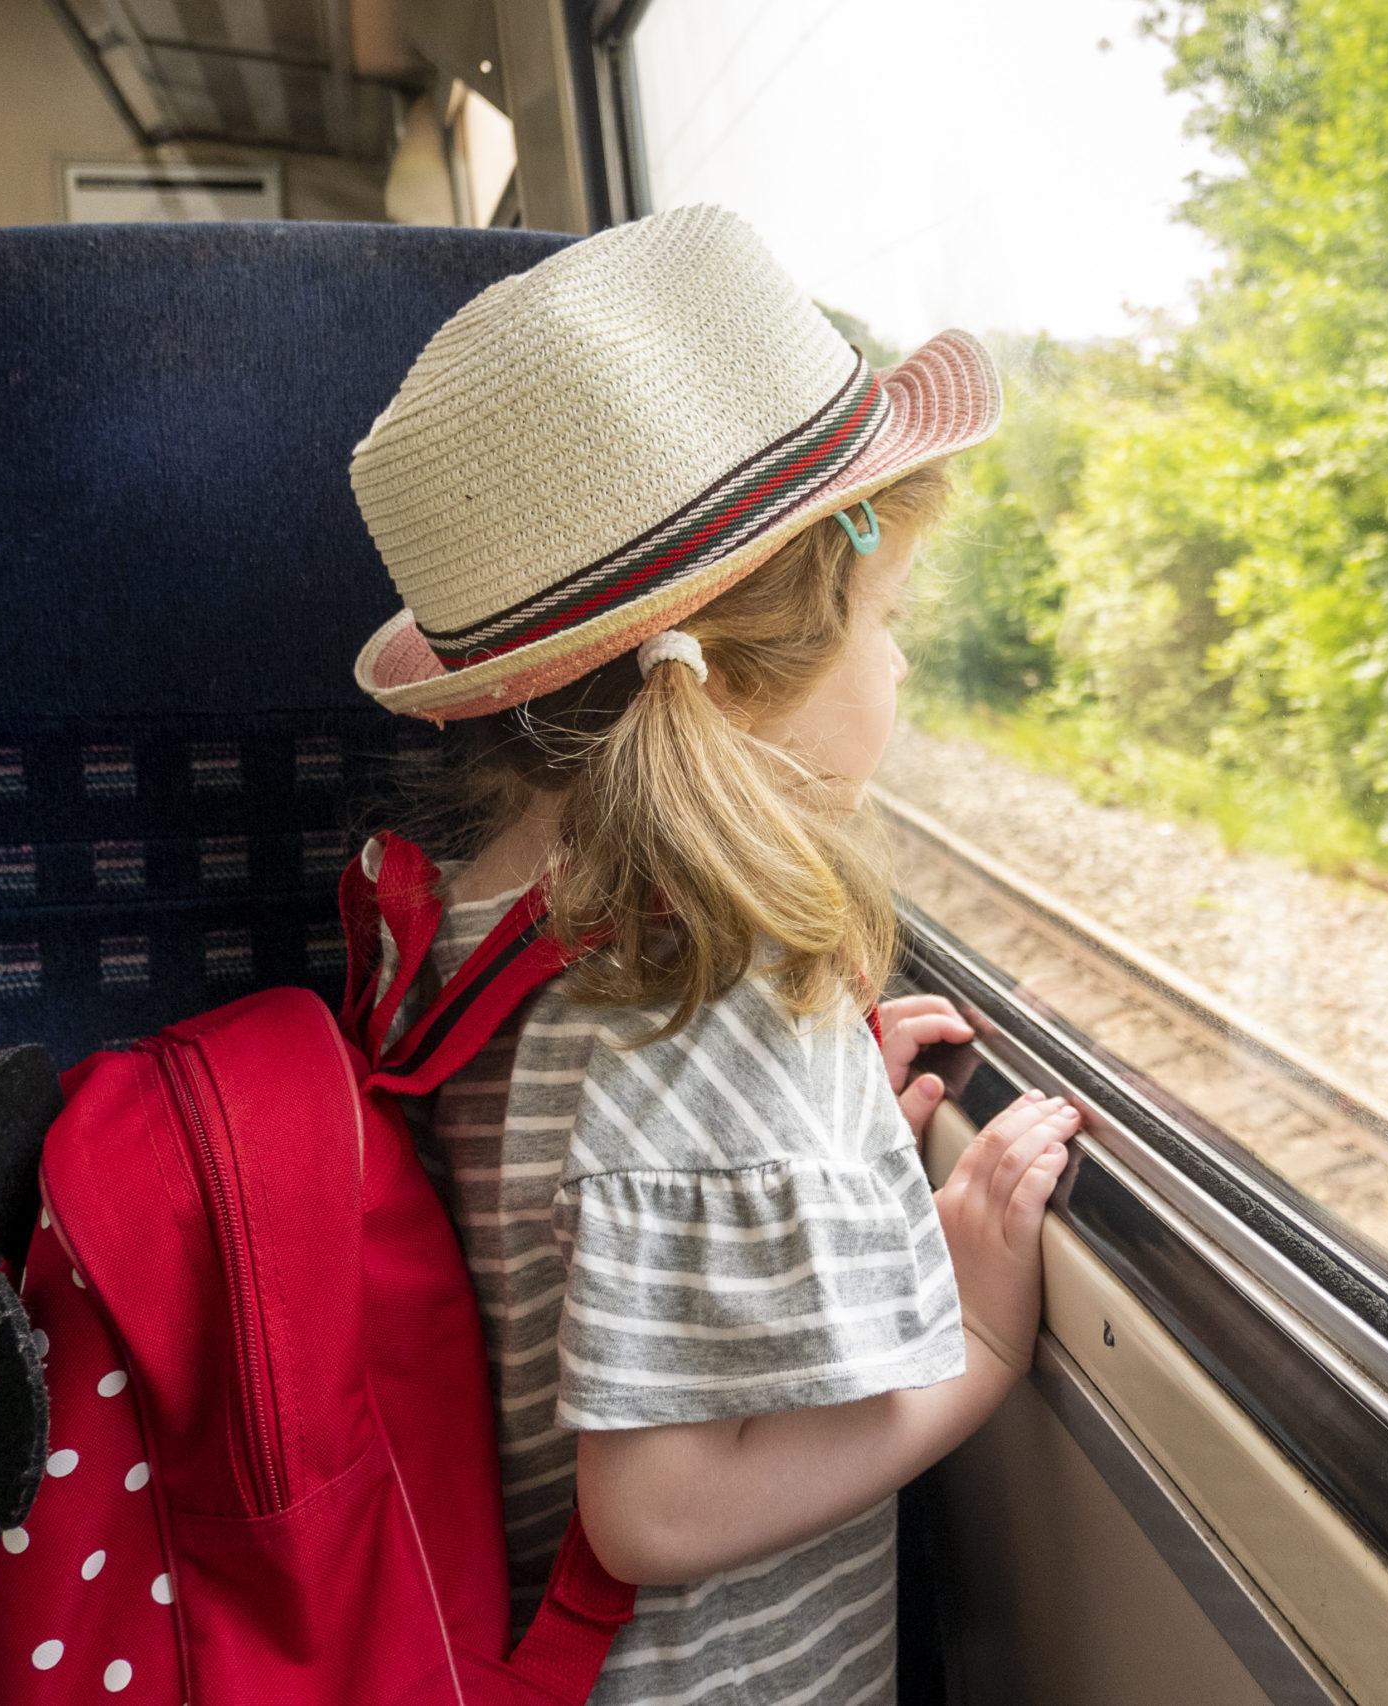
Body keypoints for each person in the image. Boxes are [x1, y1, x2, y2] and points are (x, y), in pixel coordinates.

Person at [344, 204, 1070, 1704]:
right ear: (741, 679)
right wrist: (980, 1344)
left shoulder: (479, 914)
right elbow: (657, 1505)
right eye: (888, 615)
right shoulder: (705, 990)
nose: (906, 660)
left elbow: (579, 1219)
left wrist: (809, 1148)